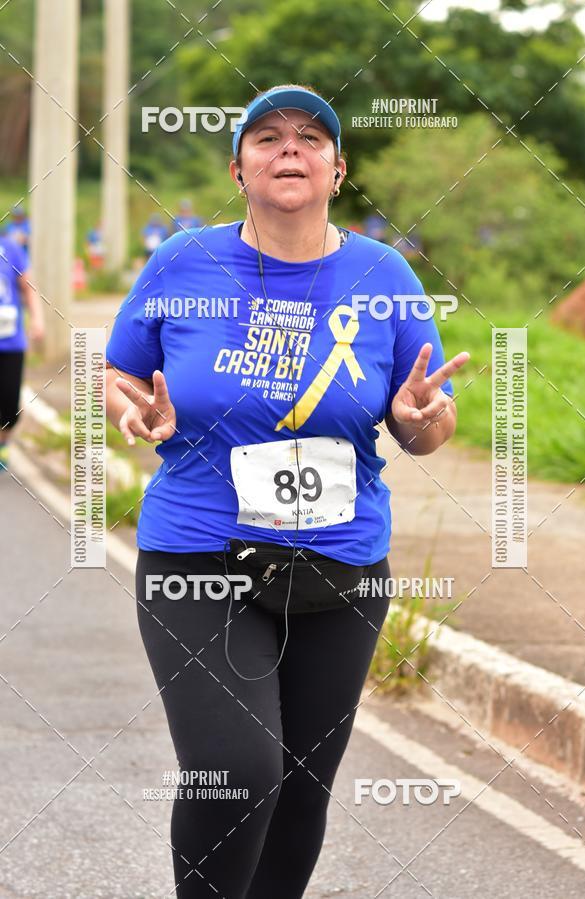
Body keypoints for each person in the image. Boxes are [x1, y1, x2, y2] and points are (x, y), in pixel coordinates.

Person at [105, 83, 469, 898]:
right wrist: (134, 411)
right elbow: (121, 371)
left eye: (311, 137)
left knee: (302, 786)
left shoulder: (384, 274)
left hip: (340, 563)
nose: (289, 148)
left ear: (339, 169)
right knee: (236, 770)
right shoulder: (182, 261)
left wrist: (421, 417)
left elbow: (423, 421)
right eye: (266, 137)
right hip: (199, 553)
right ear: (238, 169)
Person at [0, 236, 45, 472]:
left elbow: (27, 288)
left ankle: (3, 441)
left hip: (10, 342)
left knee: (9, 401)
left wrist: (37, 319)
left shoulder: (11, 249)